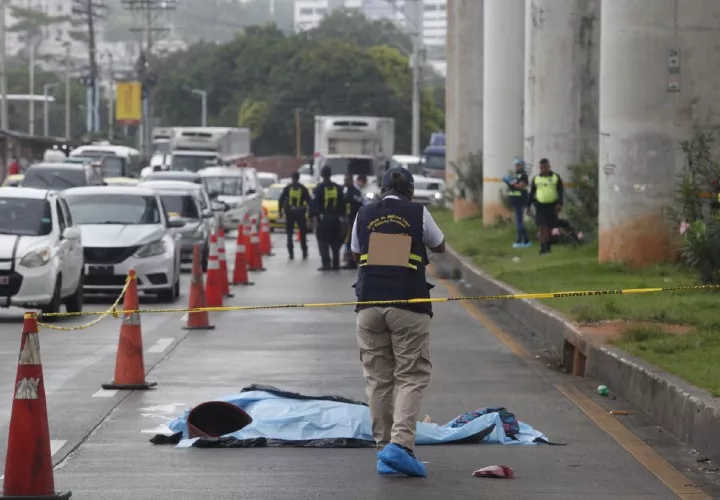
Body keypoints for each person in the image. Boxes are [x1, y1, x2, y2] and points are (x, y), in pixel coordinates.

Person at [350, 166, 446, 478]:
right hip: (408, 304)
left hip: (368, 305)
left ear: (380, 189)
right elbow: (439, 244)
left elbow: (355, 252)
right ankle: (401, 447)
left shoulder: (364, 213)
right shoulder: (417, 212)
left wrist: (385, 247)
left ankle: (384, 452)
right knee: (411, 375)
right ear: (410, 191)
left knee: (378, 379)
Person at [311, 165, 345, 270]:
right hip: (336, 219)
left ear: (322, 175)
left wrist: (312, 216)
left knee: (323, 241)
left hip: (323, 220)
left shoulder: (318, 188)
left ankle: (326, 263)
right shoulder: (338, 188)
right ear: (330, 174)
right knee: (335, 241)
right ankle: (336, 263)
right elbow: (343, 204)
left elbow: (313, 204)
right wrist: (342, 218)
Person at [528, 158, 564, 255]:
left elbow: (560, 191)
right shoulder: (536, 179)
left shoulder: (555, 177)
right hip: (540, 206)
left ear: (549, 167)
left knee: (550, 227)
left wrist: (560, 203)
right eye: (541, 167)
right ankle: (543, 248)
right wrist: (527, 206)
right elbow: (531, 193)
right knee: (542, 226)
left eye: (545, 167)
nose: (543, 169)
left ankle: (547, 246)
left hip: (552, 205)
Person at [278, 171, 312, 260]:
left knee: (289, 233)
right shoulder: (303, 188)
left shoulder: (288, 188)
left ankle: (291, 253)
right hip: (300, 213)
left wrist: (280, 211)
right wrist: (309, 214)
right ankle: (304, 252)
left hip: (289, 212)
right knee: (302, 233)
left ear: (292, 178)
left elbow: (281, 199)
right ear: (299, 178)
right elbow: (309, 201)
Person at [503, 158, 531, 248]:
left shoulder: (523, 175)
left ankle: (519, 240)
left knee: (519, 222)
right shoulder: (516, 175)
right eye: (515, 165)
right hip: (515, 200)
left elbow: (521, 186)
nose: (516, 167)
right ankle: (526, 240)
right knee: (519, 221)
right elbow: (513, 186)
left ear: (522, 166)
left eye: (518, 165)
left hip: (520, 200)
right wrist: (507, 181)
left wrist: (510, 182)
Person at [342, 172, 364, 270]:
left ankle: (351, 262)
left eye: (346, 180)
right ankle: (349, 261)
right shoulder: (346, 190)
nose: (345, 182)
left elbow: (358, 203)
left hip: (353, 220)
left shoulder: (355, 192)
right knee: (347, 240)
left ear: (351, 180)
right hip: (347, 220)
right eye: (344, 180)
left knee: (350, 240)